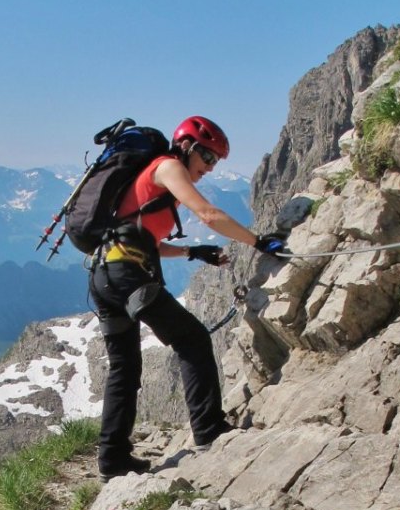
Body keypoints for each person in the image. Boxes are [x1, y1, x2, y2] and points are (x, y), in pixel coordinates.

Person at [88, 115, 284, 480]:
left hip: (105, 277)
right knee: (191, 338)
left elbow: (142, 241)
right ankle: (209, 430)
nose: (209, 168)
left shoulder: (155, 179)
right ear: (187, 147)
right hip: (127, 276)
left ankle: (112, 460)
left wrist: (193, 252)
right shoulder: (167, 167)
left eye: (215, 162)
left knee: (125, 369)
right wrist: (258, 242)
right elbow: (208, 214)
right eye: (207, 157)